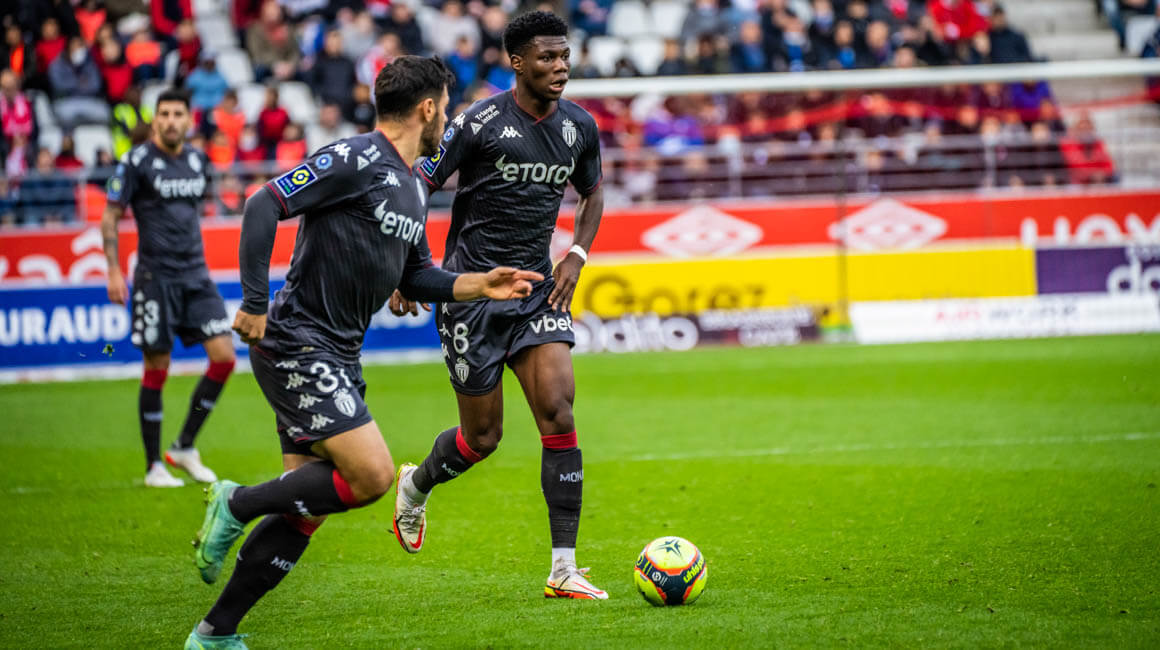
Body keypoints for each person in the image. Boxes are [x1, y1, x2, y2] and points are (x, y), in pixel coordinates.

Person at [184, 56, 543, 649]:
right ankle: (235, 501)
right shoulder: (356, 157)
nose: (447, 117)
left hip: (340, 356)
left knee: (305, 508)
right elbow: (261, 204)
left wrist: (481, 283)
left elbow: (417, 274)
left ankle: (215, 632)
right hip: (299, 341)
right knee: (373, 475)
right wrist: (252, 300)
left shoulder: (409, 185)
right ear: (428, 108)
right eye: (445, 106)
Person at [391, 11, 608, 600]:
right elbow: (416, 186)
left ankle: (563, 568)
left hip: (536, 290)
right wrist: (408, 266)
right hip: (470, 294)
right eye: (546, 58)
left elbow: (592, 192)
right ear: (516, 62)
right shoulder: (479, 122)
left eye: (564, 56)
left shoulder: (580, 127)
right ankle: (415, 486)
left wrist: (577, 255)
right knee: (481, 439)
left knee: (559, 412)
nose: (560, 67)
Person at [101, 88, 235, 488]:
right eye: (165, 114)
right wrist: (112, 270)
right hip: (154, 278)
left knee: (225, 357)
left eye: (179, 113)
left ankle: (184, 446)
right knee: (157, 366)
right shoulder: (136, 161)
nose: (172, 120)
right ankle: (152, 466)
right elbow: (111, 217)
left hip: (197, 275)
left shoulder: (198, 160)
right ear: (155, 119)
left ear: (189, 119)